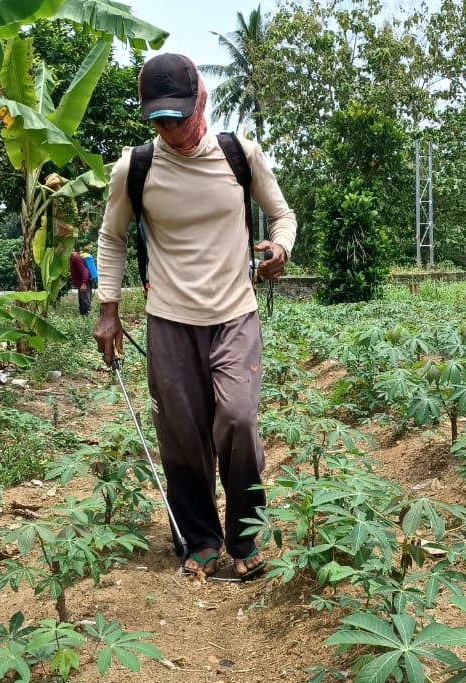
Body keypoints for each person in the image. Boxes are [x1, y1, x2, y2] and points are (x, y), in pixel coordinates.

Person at [92, 53, 296, 580]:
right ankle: (200, 540)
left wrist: (280, 247)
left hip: (234, 312)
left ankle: (244, 535)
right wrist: (108, 311)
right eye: (157, 119)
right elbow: (111, 239)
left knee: (238, 418)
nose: (169, 128)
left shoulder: (238, 155)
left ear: (199, 100)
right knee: (181, 434)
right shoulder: (134, 167)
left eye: (177, 117)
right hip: (169, 319)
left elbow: (282, 213)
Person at [69, 248, 92, 315]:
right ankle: (84, 318)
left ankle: (89, 320)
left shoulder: (76, 257)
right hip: (80, 284)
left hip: (84, 283)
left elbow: (85, 271)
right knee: (82, 303)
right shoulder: (70, 258)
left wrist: (84, 283)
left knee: (86, 303)